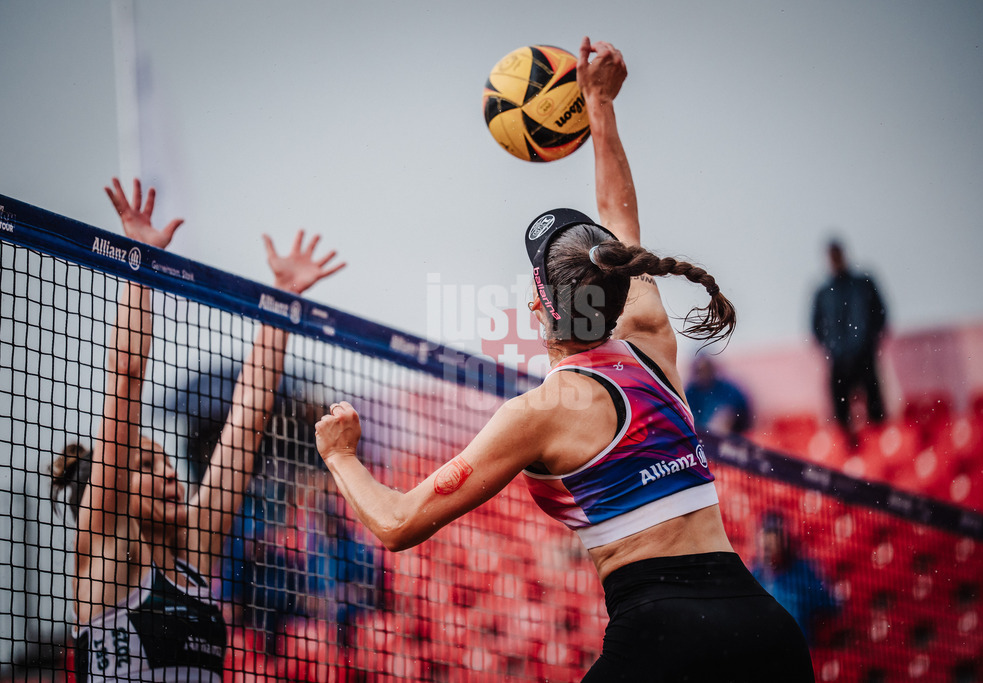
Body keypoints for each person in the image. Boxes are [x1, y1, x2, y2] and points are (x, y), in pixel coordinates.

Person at [315, 38, 814, 681]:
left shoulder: (540, 413)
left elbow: (397, 523)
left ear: (535, 301)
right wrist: (599, 103)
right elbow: (620, 219)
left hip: (665, 636)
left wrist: (339, 454)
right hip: (768, 630)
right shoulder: (650, 339)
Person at [49, 178, 344, 681]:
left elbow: (248, 419)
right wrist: (138, 262)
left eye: (165, 461)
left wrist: (281, 301)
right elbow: (125, 382)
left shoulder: (195, 545)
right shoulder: (106, 544)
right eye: (146, 466)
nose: (169, 473)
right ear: (105, 489)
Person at [811, 238, 887, 446]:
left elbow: (880, 315)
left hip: (865, 358)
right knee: (842, 419)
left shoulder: (863, 284)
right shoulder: (823, 293)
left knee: (875, 412)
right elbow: (816, 328)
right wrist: (833, 348)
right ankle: (850, 453)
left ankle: (879, 452)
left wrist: (866, 342)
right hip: (838, 362)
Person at [749, 511, 837, 646]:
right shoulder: (755, 575)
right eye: (765, 541)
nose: (767, 546)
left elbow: (828, 605)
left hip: (798, 649)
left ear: (784, 541)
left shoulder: (803, 572)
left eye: (773, 538)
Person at [684, 355, 752, 435]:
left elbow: (741, 410)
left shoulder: (728, 389)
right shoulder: (690, 392)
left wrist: (726, 418)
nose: (703, 375)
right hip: (700, 437)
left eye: (706, 370)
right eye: (699, 371)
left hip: (730, 436)